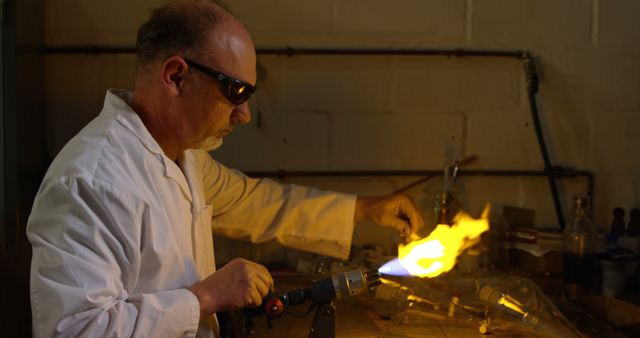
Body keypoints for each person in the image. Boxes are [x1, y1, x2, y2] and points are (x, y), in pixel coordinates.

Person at [27, 0, 425, 337]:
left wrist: (365, 209)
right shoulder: (91, 181)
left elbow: (256, 203)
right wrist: (205, 298)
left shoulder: (184, 157)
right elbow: (76, 329)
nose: (244, 115)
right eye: (235, 91)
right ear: (175, 76)